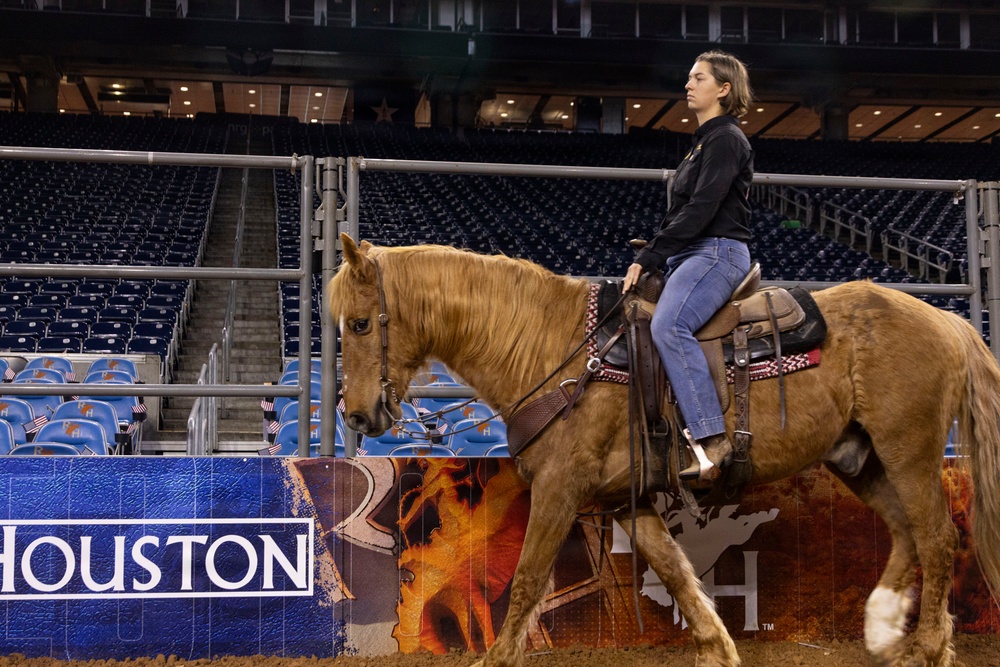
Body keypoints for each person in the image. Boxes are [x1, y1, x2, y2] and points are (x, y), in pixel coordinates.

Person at [622, 50, 754, 483]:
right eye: (689, 77)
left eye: (698, 78)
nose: (688, 84)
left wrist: (650, 255)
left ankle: (712, 439)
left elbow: (701, 210)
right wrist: (658, 248)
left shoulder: (727, 139)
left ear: (723, 88)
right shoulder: (702, 143)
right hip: (692, 252)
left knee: (667, 326)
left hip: (716, 252)